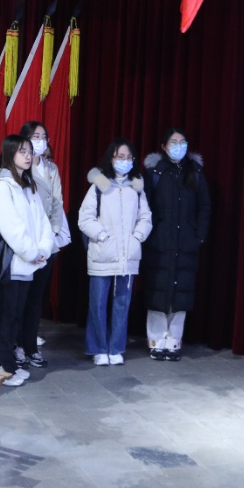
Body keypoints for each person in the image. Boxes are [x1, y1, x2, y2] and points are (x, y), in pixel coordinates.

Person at [77, 138, 152, 366]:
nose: (125, 161)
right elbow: (85, 218)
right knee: (98, 304)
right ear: (112, 159)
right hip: (102, 254)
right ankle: (98, 348)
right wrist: (102, 236)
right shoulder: (99, 186)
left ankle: (116, 347)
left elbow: (145, 217)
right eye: (120, 157)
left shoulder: (136, 188)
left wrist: (136, 237)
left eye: (129, 157)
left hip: (127, 257)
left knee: (122, 303)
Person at [0, 135, 54, 387]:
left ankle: (8, 365)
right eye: (22, 151)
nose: (28, 155)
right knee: (7, 317)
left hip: (28, 263)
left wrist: (43, 249)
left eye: (29, 151)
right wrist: (32, 252)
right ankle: (0, 367)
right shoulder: (3, 186)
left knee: (16, 316)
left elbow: (42, 222)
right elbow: (10, 228)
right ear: (9, 153)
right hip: (13, 263)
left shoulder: (28, 185)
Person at [142, 128, 211, 361]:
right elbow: (144, 206)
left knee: (180, 294)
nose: (178, 146)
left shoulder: (196, 172)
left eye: (182, 142)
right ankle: (156, 341)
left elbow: (204, 206)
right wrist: (149, 234)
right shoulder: (154, 173)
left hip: (186, 244)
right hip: (159, 242)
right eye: (173, 142)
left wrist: (198, 235)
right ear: (164, 146)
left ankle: (173, 341)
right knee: (157, 292)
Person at [14, 121, 67, 369]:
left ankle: (30, 346)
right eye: (35, 136)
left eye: (43, 136)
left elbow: (57, 203)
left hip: (47, 244)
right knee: (20, 298)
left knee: (36, 298)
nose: (40, 141)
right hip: (26, 243)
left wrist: (52, 234)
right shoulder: (17, 169)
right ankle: (16, 345)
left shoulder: (51, 168)